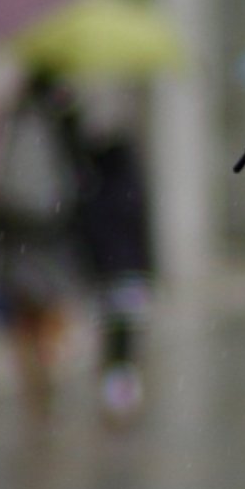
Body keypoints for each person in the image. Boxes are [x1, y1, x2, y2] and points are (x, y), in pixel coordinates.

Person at [0, 66, 87, 414]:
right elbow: (77, 182)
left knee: (23, 312)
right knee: (50, 305)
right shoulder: (62, 118)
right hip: (51, 232)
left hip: (14, 233)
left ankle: (32, 378)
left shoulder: (8, 118)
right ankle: (49, 367)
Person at [74, 95, 153, 423]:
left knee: (112, 339)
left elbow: (88, 237)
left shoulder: (96, 194)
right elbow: (144, 235)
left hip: (107, 276)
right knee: (126, 338)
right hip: (131, 275)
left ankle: (115, 392)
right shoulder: (132, 191)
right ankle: (124, 393)